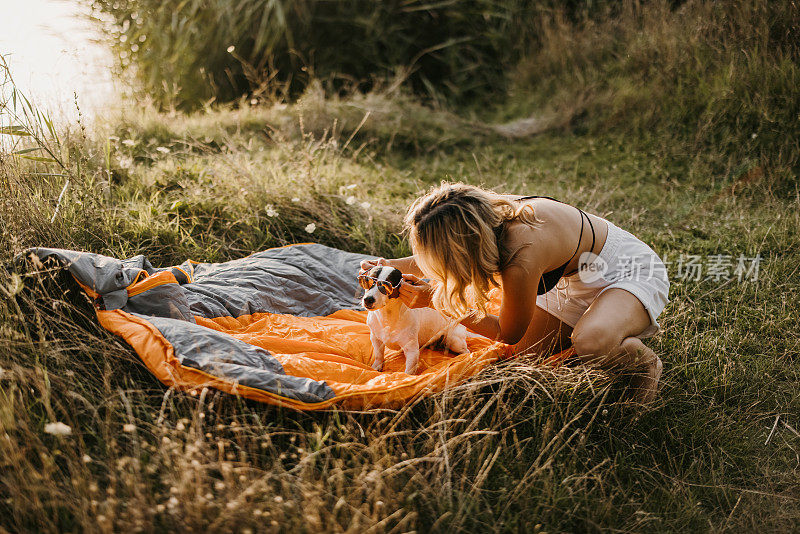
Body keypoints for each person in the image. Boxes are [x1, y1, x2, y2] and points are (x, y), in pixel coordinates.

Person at [360, 182, 670, 402]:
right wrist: (387, 265)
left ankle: (643, 364)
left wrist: (437, 304)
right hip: (571, 278)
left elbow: (506, 331)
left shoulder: (522, 256)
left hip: (626, 268)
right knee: (525, 364)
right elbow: (432, 258)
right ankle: (600, 332)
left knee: (591, 340)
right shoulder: (481, 217)